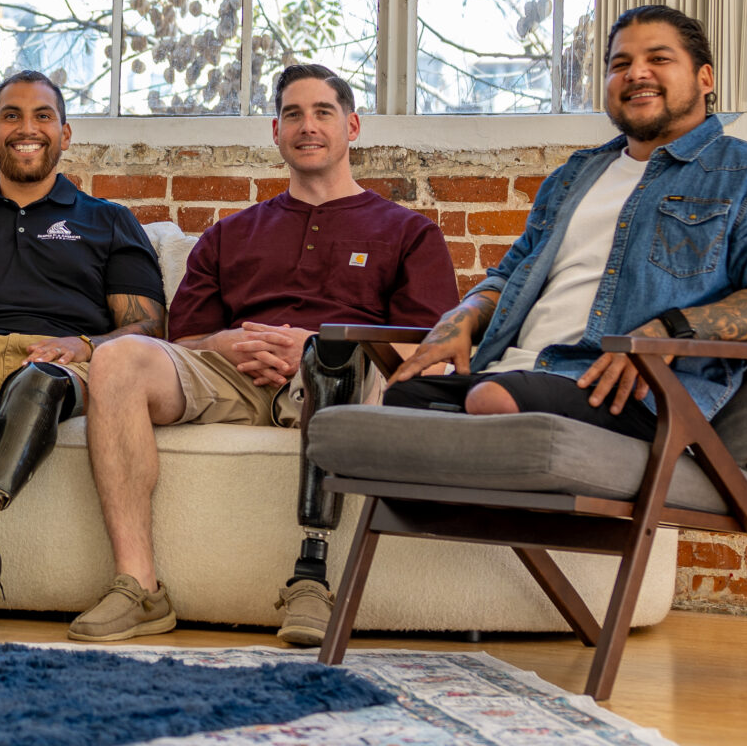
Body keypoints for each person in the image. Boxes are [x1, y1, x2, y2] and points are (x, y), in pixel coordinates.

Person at [71, 63, 457, 645]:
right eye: (293, 115)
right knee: (118, 358)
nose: (308, 126)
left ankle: (311, 579)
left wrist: (321, 343)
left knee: (335, 357)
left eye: (323, 112)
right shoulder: (229, 235)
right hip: (237, 375)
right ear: (276, 132)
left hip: (344, 379)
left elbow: (428, 351)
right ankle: (139, 587)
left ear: (352, 127)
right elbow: (182, 343)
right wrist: (222, 342)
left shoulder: (407, 232)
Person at [384, 4, 747, 447]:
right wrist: (461, 317)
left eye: (659, 58)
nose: (636, 73)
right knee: (402, 399)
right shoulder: (573, 177)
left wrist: (666, 329)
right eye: (620, 64)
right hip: (513, 374)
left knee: (491, 400)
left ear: (705, 78)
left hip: (631, 395)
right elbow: (508, 277)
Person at [0, 69, 168, 636]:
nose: (27, 128)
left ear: (65, 134)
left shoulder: (109, 221)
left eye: (43, 116)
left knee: (38, 378)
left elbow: (148, 326)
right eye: (12, 116)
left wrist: (83, 344)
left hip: (59, 361)